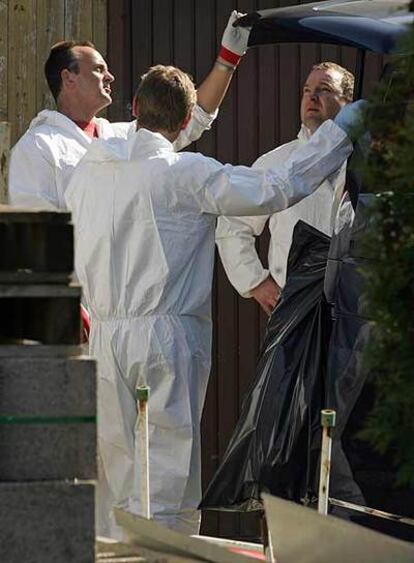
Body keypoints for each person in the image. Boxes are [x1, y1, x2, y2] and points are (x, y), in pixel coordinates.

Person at [65, 64, 360, 539]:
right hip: (166, 338)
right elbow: (276, 187)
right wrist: (342, 133)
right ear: (186, 123)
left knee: (117, 472)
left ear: (135, 109)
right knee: (165, 474)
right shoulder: (186, 172)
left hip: (102, 335)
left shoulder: (90, 169)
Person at [8, 11, 250, 210]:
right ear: (68, 78)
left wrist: (228, 58)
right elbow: (39, 234)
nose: (110, 76)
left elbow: (192, 116)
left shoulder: (122, 137)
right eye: (99, 69)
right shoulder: (37, 148)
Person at [216, 62, 354, 315]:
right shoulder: (277, 163)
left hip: (355, 308)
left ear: (347, 102)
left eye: (324, 89)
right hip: (294, 309)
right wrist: (256, 282)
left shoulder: (366, 162)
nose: (312, 97)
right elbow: (233, 224)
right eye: (306, 90)